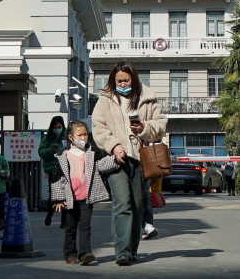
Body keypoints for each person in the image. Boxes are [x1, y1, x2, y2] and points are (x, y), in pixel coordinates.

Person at [92, 61, 166, 266]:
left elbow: (160, 124)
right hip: (117, 161)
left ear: (133, 79)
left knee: (137, 205)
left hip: (141, 160)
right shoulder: (105, 100)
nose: (122, 83)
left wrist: (143, 127)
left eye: (126, 80)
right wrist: (114, 145)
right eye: (118, 80)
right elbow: (98, 127)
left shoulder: (147, 98)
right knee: (122, 204)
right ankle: (122, 252)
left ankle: (132, 250)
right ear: (112, 81)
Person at [50, 120, 117, 265]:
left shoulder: (92, 153)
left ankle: (85, 253)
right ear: (71, 137)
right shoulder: (63, 156)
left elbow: (103, 164)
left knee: (85, 226)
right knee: (70, 227)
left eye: (85, 134)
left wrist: (116, 158)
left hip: (87, 196)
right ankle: (70, 254)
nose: (83, 138)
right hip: (69, 198)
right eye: (79, 135)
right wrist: (59, 199)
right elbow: (57, 178)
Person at [40, 115, 67, 227]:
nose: (57, 129)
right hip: (53, 169)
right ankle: (49, 215)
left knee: (66, 193)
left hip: (65, 169)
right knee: (53, 194)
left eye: (59, 127)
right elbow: (41, 152)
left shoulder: (67, 137)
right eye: (55, 127)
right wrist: (51, 150)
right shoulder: (47, 138)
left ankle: (64, 221)